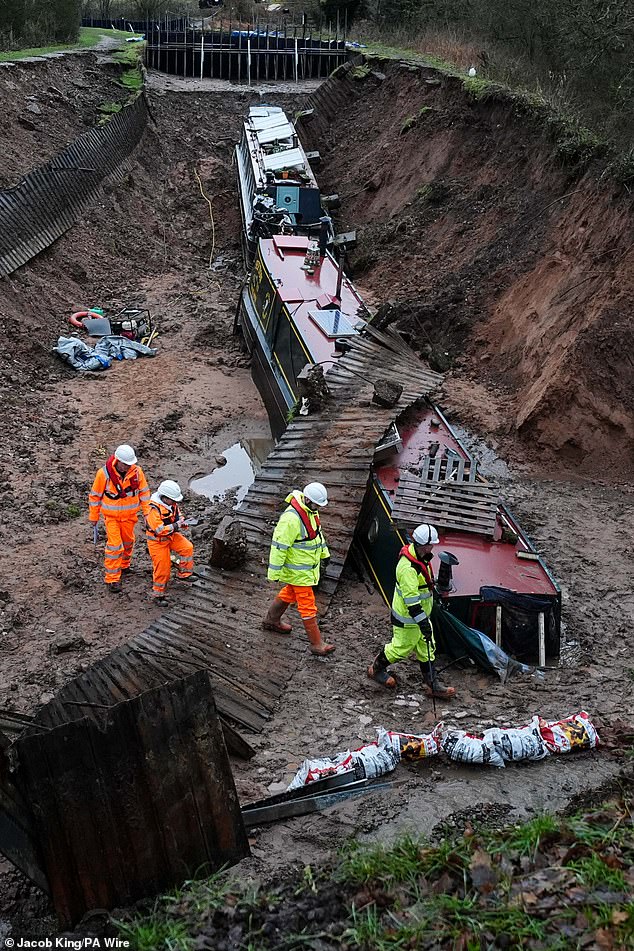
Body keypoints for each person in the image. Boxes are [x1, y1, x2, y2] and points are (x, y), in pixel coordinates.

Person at [367, 523, 455, 698]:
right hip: (408, 618)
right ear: (424, 545)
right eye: (432, 544)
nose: (433, 547)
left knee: (427, 646)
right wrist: (424, 623)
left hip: (420, 615)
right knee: (400, 648)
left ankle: (432, 685)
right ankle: (376, 669)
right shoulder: (407, 569)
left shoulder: (421, 558)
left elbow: (422, 585)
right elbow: (412, 602)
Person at [263, 482, 335, 656]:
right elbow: (279, 546)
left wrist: (324, 554)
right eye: (317, 504)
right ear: (308, 500)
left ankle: (271, 620)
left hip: (306, 568)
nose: (319, 508)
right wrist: (274, 573)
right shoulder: (291, 519)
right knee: (307, 605)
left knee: (289, 593)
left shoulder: (311, 512)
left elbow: (317, 536)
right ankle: (317, 644)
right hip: (298, 571)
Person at [88, 444, 151, 593]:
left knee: (128, 542)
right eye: (125, 464)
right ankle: (112, 579)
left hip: (130, 517)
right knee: (115, 546)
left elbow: (145, 494)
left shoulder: (137, 472)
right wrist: (94, 516)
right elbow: (95, 496)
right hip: (112, 518)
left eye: (130, 464)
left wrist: (148, 514)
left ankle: (124, 565)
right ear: (118, 461)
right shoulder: (103, 474)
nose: (127, 467)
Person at [145, 480, 194, 606]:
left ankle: (184, 574)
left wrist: (181, 521)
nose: (175, 502)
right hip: (157, 542)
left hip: (171, 536)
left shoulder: (171, 504)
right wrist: (176, 526)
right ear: (165, 497)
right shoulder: (153, 510)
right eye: (173, 500)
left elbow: (177, 515)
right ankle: (158, 594)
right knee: (163, 569)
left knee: (187, 548)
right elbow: (160, 530)